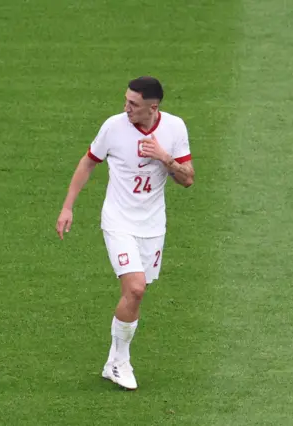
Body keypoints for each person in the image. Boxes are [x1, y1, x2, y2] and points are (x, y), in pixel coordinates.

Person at [56, 76, 194, 390]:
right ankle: (120, 361)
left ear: (153, 107)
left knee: (134, 294)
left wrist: (164, 157)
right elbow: (88, 163)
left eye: (134, 104)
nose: (126, 107)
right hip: (118, 221)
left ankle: (113, 361)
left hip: (152, 226)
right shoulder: (113, 127)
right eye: (126, 100)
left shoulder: (174, 129)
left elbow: (188, 179)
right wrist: (68, 207)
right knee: (136, 289)